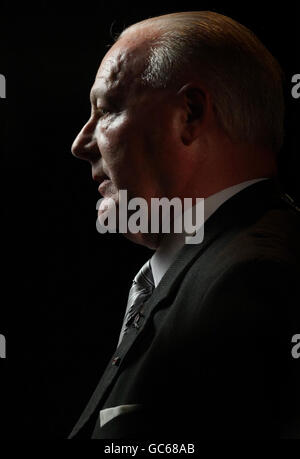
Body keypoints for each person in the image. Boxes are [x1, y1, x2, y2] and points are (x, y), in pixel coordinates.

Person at [69, 11, 300, 439]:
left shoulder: (253, 279)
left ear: (189, 114)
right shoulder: (219, 267)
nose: (80, 144)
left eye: (106, 109)